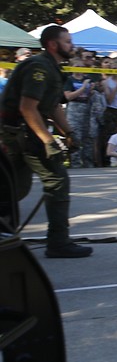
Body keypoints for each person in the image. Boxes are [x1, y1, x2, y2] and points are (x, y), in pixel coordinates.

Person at [0, 26, 92, 257]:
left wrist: (68, 133)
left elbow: (51, 105)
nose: (72, 46)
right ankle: (58, 243)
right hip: (19, 134)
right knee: (56, 181)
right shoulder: (39, 67)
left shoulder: (52, 67)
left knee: (12, 188)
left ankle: (7, 237)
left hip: (21, 133)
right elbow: (27, 108)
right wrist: (49, 141)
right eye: (68, 42)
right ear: (53, 44)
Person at [64, 62, 100, 168]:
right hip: (74, 110)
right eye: (76, 66)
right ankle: (75, 164)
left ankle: (88, 163)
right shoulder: (69, 79)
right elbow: (68, 96)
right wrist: (83, 88)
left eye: (81, 66)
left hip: (87, 109)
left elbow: (93, 93)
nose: (79, 68)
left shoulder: (88, 78)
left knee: (88, 137)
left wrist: (91, 90)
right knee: (75, 137)